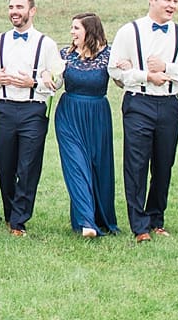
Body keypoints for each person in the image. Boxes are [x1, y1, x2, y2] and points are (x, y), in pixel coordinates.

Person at [107, 0, 178, 241]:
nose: (172, 5)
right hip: (139, 102)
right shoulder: (129, 31)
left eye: (175, 1)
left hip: (170, 103)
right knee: (136, 164)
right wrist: (145, 75)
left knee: (164, 164)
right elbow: (115, 71)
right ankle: (139, 225)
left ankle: (156, 218)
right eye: (167, 0)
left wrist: (169, 68)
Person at [0, 0, 58, 236]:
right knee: (5, 165)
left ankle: (19, 221)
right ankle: (10, 214)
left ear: (32, 11)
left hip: (33, 110)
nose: (14, 11)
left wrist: (34, 82)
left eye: (19, 7)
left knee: (28, 166)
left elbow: (56, 82)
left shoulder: (46, 44)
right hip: (5, 108)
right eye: (11, 7)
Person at [54, 12, 119, 237]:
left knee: (97, 166)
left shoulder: (109, 55)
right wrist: (46, 77)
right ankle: (86, 222)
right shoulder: (64, 54)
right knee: (76, 165)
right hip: (69, 114)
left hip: (98, 115)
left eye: (76, 28)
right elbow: (55, 81)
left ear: (89, 31)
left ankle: (98, 217)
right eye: (72, 28)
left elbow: (121, 80)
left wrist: (126, 68)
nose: (72, 32)